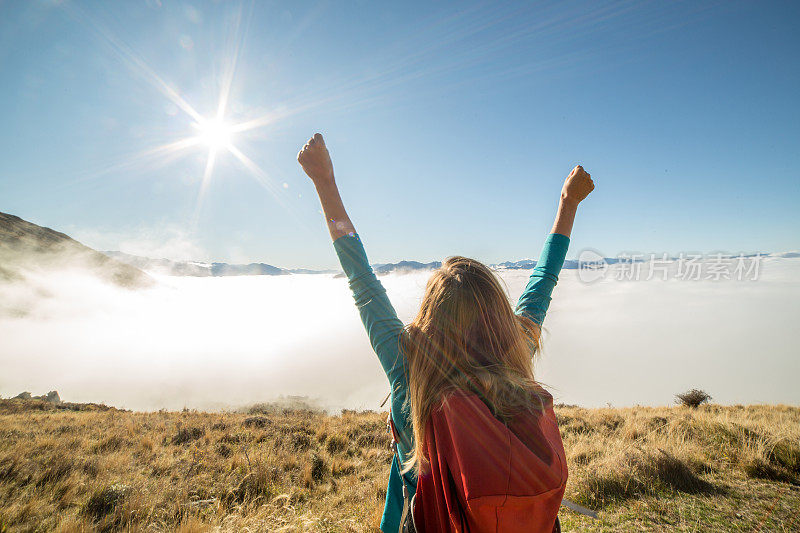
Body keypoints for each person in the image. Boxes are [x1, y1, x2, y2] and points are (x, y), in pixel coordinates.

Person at [298, 133, 594, 532]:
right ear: (497, 313)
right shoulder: (516, 351)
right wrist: (568, 204)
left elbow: (361, 280)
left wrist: (324, 183)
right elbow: (543, 280)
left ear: (429, 315)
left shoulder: (410, 370)